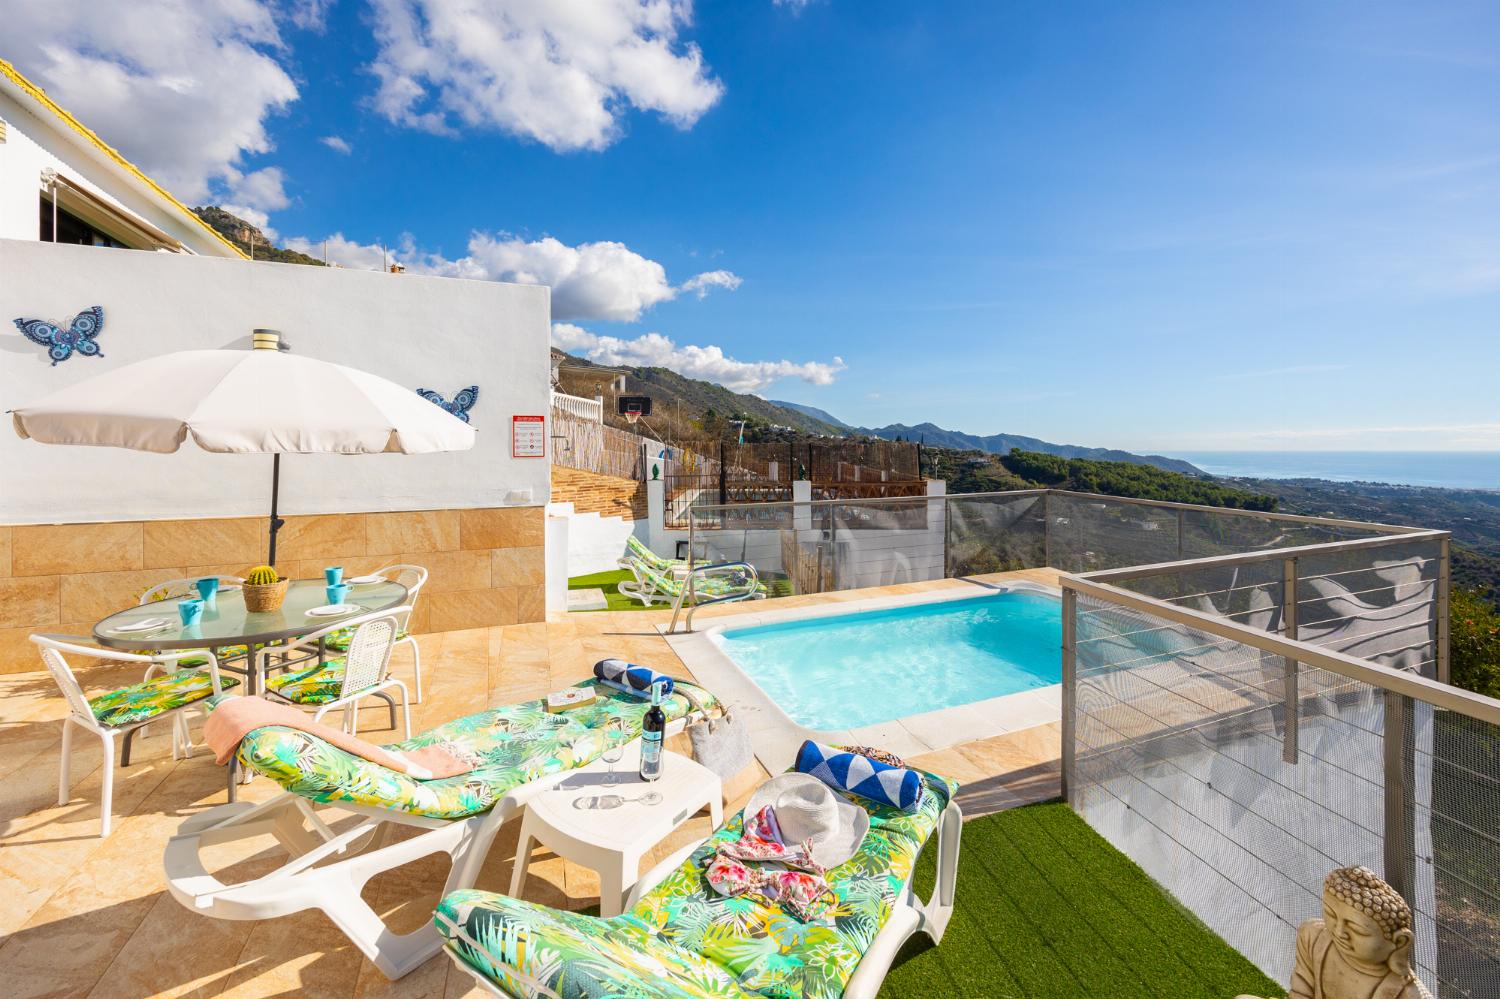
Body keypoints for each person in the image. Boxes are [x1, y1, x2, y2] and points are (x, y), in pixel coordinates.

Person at [1239, 866, 1430, 999]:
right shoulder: (1313, 937)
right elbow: (1300, 993)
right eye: (1331, 915)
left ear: (1400, 941)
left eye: (1357, 930)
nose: (1339, 932)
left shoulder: (1406, 991)